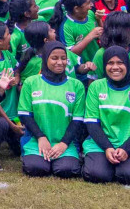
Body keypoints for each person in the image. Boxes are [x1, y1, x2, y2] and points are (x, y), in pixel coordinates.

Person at [79, 46, 130, 185]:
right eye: (110, 63)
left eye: (120, 63)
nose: (115, 67)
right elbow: (91, 123)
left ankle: (124, 164)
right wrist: (107, 148)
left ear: (127, 64)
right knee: (97, 174)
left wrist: (126, 149)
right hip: (101, 144)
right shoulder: (96, 87)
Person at [18, 40, 85, 179]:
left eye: (63, 58)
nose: (60, 62)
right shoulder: (31, 82)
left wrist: (63, 144)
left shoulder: (76, 85)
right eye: (54, 58)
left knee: (66, 169)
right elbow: (25, 115)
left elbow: (77, 120)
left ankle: (64, 155)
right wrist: (41, 138)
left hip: (64, 143)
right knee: (36, 168)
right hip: (36, 141)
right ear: (45, 59)